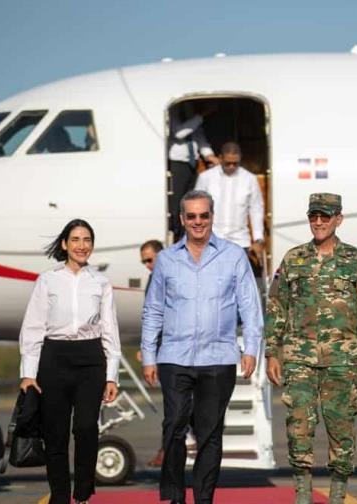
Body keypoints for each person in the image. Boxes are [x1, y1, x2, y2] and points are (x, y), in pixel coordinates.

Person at [141, 190, 262, 504]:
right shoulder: (166, 260)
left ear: (212, 217)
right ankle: (176, 496)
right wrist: (149, 356)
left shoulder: (234, 256)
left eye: (203, 215)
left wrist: (251, 348)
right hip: (174, 357)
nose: (198, 222)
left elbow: (250, 305)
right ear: (182, 219)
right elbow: (153, 309)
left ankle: (204, 499)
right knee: (174, 425)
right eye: (191, 216)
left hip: (218, 357)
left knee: (210, 434)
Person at [265, 193, 357, 504]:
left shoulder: (355, 261)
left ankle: (337, 497)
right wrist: (271, 352)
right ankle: (303, 497)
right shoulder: (293, 259)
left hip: (342, 360)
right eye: (313, 216)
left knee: (341, 430)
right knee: (299, 430)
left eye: (325, 216)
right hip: (299, 359)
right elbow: (277, 306)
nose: (318, 222)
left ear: (338, 219)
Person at [19, 218, 122, 504]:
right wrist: (28, 373)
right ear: (64, 244)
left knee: (87, 427)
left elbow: (109, 329)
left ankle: (84, 492)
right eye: (75, 239)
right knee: (56, 434)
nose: (81, 245)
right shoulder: (47, 280)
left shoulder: (101, 282)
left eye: (87, 240)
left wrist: (112, 375)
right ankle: (61, 497)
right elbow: (33, 327)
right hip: (54, 359)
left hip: (90, 360)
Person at [194, 141, 266, 274]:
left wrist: (258, 239)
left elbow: (256, 209)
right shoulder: (206, 178)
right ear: (220, 158)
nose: (232, 166)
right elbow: (195, 208)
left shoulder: (250, 179)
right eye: (228, 163)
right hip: (211, 242)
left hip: (240, 242)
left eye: (235, 163)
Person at [137, 239, 168, 468]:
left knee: (176, 408)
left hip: (174, 350)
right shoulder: (154, 278)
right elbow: (151, 316)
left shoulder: (168, 276)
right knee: (174, 407)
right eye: (144, 261)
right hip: (166, 351)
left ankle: (166, 450)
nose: (147, 265)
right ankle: (166, 450)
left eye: (149, 260)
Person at [168, 106, 219, 239]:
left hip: (192, 164)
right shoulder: (172, 112)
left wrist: (209, 155)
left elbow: (198, 137)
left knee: (190, 202)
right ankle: (176, 236)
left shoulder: (191, 113)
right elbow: (179, 133)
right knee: (176, 205)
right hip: (177, 164)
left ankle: (187, 235)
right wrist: (201, 116)